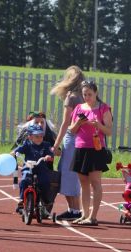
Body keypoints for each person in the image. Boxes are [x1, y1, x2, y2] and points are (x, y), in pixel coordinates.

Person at [69, 80, 113, 226]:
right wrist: (78, 123)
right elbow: (72, 130)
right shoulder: (79, 108)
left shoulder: (104, 108)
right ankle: (84, 214)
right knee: (83, 183)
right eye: (84, 94)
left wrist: (98, 125)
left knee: (95, 182)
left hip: (96, 149)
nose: (87, 97)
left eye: (89, 94)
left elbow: (109, 131)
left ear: (96, 93)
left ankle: (93, 216)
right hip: (80, 147)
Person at [50, 66, 85, 221]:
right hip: (83, 139)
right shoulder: (86, 96)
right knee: (72, 174)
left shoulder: (71, 97)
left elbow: (65, 123)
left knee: (68, 174)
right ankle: (73, 209)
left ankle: (75, 210)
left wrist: (55, 145)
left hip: (72, 138)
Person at [11, 124, 54, 213]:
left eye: (41, 136)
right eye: (36, 136)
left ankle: (46, 200)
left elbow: (50, 154)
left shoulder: (46, 145)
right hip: (28, 167)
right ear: (30, 137)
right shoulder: (27, 144)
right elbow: (18, 150)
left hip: (41, 168)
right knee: (24, 180)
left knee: (45, 182)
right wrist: (13, 153)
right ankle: (22, 199)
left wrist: (48, 156)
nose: (39, 138)